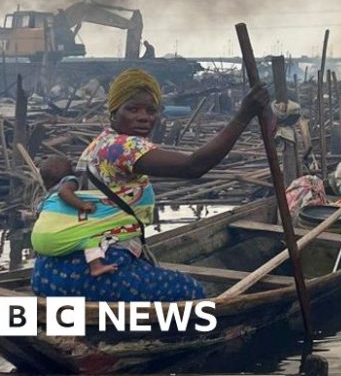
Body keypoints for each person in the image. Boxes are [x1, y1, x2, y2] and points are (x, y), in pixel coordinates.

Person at [31, 68, 269, 301]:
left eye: (150, 110)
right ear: (114, 112)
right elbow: (193, 166)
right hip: (87, 271)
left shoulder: (101, 143)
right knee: (191, 292)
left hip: (49, 271)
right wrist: (242, 116)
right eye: (132, 109)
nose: (143, 117)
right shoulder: (123, 147)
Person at [37, 156, 118, 276]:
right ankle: (95, 266)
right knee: (90, 234)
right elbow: (64, 193)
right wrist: (83, 204)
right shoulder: (70, 180)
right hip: (63, 223)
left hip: (46, 230)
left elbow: (40, 210)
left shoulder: (48, 193)